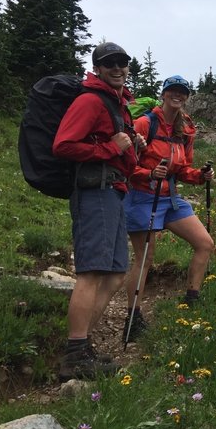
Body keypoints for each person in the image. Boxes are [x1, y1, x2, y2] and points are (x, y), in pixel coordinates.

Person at [53, 41, 144, 381]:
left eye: (122, 62)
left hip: (114, 191)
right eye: (110, 63)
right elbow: (63, 144)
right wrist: (111, 147)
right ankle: (75, 353)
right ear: (98, 68)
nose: (118, 68)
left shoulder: (118, 105)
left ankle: (80, 345)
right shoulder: (90, 100)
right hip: (95, 192)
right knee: (91, 271)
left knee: (117, 271)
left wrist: (131, 145)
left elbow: (118, 151)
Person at [122, 75, 215, 342]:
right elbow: (126, 165)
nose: (178, 95)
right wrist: (149, 173)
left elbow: (182, 168)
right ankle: (133, 317)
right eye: (173, 91)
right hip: (142, 196)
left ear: (186, 97)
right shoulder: (145, 123)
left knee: (205, 243)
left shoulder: (184, 128)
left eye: (182, 92)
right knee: (145, 260)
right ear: (163, 94)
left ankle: (191, 299)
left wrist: (200, 176)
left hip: (170, 198)